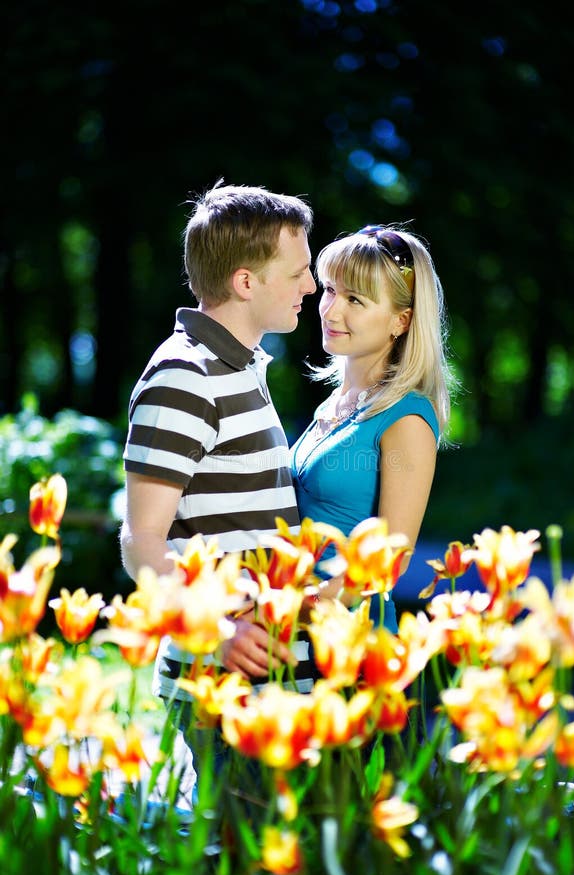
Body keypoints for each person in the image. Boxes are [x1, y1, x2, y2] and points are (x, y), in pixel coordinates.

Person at [120, 181, 317, 711]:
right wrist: (217, 632)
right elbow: (141, 542)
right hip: (222, 690)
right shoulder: (184, 376)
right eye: (298, 272)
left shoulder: (242, 367)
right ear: (246, 281)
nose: (313, 285)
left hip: (270, 688)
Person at [290, 224, 453, 632]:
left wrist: (291, 610)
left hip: (353, 644)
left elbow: (388, 564)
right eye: (329, 290)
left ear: (401, 320)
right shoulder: (332, 403)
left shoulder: (407, 418)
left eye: (355, 300)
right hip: (299, 641)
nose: (331, 310)